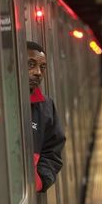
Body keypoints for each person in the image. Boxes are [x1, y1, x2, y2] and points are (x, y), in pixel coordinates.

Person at [27, 41, 66, 192]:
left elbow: (53, 150)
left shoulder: (46, 106)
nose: (38, 72)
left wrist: (41, 179)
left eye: (42, 67)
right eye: (31, 64)